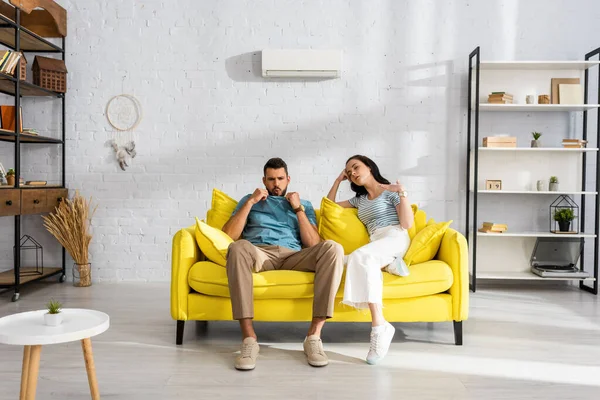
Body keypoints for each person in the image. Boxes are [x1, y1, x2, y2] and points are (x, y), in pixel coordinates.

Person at [222, 157, 344, 371]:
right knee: (237, 247)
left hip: (293, 256)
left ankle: (314, 337)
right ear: (264, 180)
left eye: (280, 179)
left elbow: (313, 243)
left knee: (333, 247)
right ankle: (249, 339)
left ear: (288, 179)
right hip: (260, 254)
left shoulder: (302, 204)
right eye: (271, 179)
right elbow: (229, 235)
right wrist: (250, 202)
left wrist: (298, 209)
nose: (276, 184)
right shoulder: (248, 201)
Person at [326, 155, 414, 365]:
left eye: (355, 167)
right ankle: (391, 263)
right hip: (376, 242)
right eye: (349, 173)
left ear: (369, 167)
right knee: (342, 259)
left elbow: (407, 224)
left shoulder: (389, 192)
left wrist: (401, 193)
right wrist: (338, 181)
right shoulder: (359, 200)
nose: (353, 173)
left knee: (359, 257)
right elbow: (329, 207)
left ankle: (378, 326)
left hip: (394, 236)